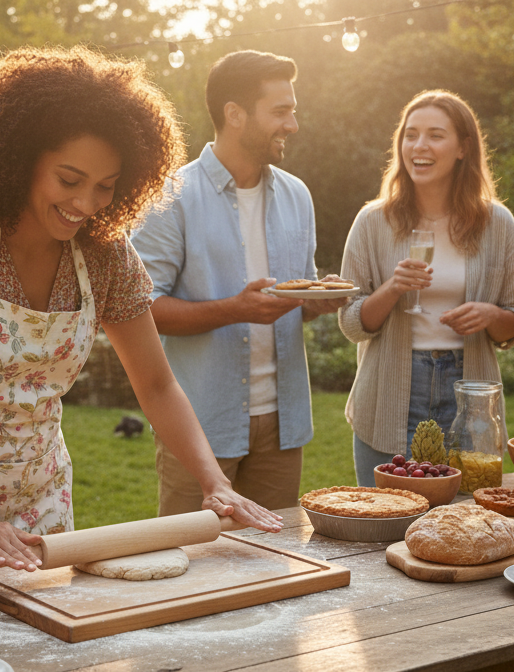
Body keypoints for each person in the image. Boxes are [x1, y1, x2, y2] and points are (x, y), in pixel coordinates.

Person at [0, 47, 284, 571]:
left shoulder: (105, 256)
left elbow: (157, 385)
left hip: (43, 508)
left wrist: (214, 481)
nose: (86, 204)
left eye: (106, 187)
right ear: (19, 158)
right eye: (69, 179)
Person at [132, 50, 347, 516]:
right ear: (235, 115)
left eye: (292, 110)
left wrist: (317, 298)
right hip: (201, 424)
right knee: (195, 565)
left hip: (283, 424)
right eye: (280, 111)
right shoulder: (170, 198)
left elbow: (295, 293)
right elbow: (141, 311)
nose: (292, 124)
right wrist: (235, 308)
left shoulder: (297, 195)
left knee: (275, 561)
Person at [335, 90, 514, 485]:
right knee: (385, 522)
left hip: (469, 393)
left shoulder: (498, 224)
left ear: (463, 148)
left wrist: (491, 315)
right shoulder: (373, 222)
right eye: (411, 134)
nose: (419, 146)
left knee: (466, 526)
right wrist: (392, 288)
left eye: (435, 135)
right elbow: (352, 323)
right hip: (390, 392)